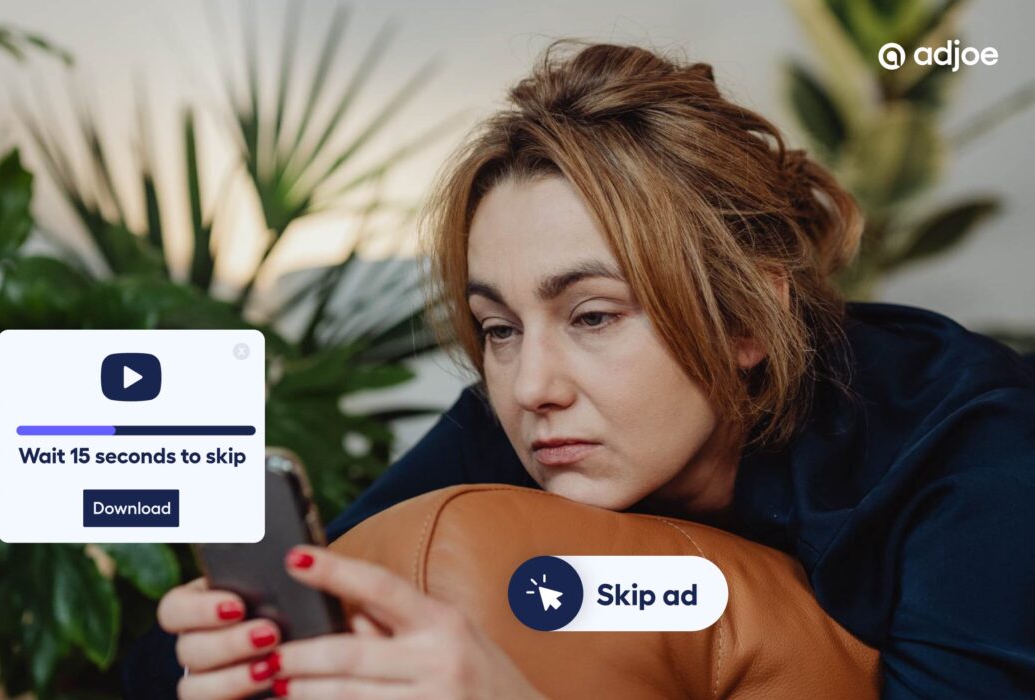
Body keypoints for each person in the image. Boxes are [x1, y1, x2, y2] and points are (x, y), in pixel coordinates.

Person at [125, 41, 1035, 699]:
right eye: (497, 326)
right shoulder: (527, 416)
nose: (529, 387)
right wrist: (218, 654)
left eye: (593, 315)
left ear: (746, 319)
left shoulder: (972, 452)